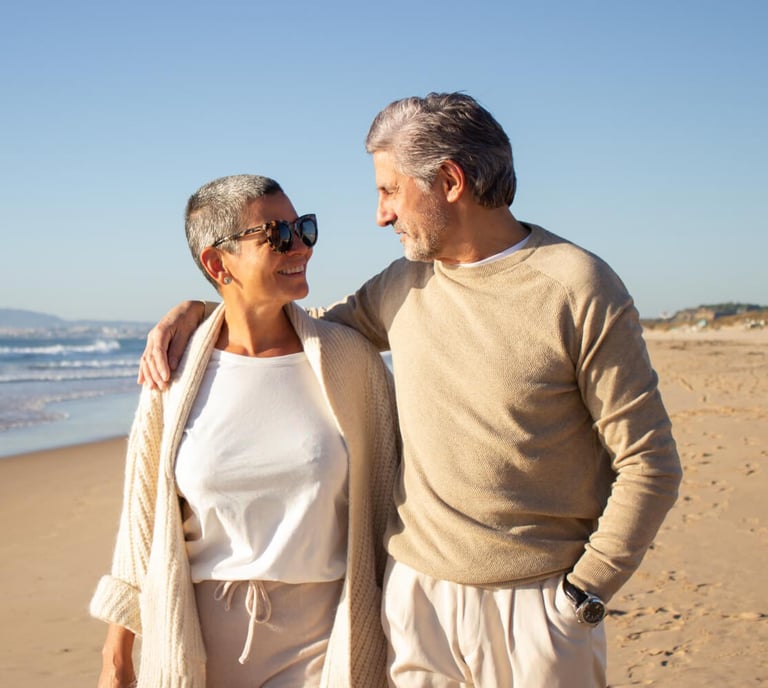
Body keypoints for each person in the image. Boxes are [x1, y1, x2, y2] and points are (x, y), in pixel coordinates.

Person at [139, 94, 683, 688]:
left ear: (449, 181)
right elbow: (294, 323)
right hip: (414, 602)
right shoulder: (404, 282)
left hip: (537, 606)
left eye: (389, 191)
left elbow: (650, 462)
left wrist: (586, 592)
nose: (381, 215)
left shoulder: (578, 286)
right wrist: (197, 308)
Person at [90, 174, 400, 688]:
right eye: (278, 234)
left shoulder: (350, 361)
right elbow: (140, 517)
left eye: (305, 228)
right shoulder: (175, 370)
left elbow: (391, 503)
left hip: (327, 637)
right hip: (196, 637)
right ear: (218, 263)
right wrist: (116, 653)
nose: (299, 245)